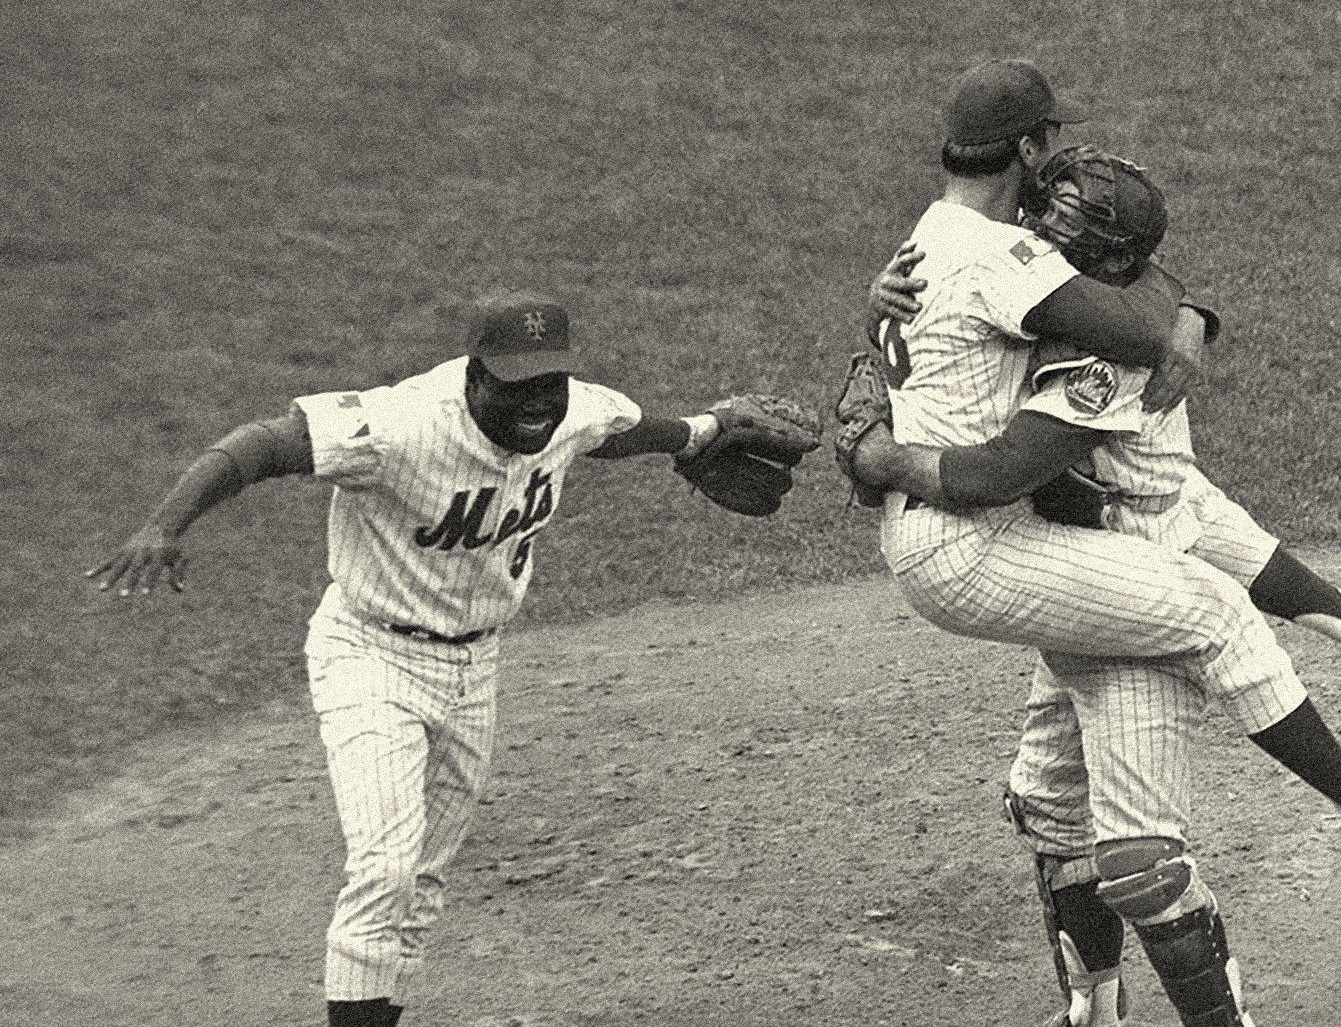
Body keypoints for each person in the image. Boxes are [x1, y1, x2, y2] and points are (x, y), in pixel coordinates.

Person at [837, 64, 1341, 1027]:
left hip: (1027, 548)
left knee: (1061, 808)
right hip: (986, 540)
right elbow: (1005, 462)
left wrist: (1183, 315)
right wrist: (888, 459)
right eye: (1049, 166)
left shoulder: (938, 243)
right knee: (1206, 629)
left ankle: (1094, 1012)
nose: (1055, 196)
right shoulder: (1037, 295)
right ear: (1024, 151)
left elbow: (1117, 313)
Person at [86, 292, 819, 1027]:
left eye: (548, 385)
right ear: (473, 376)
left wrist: (703, 432)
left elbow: (618, 431)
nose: (537, 404)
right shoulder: (399, 426)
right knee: (385, 871)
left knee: (422, 884)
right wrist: (163, 526)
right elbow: (259, 445)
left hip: (476, 670)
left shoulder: (572, 411)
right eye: (517, 386)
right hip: (369, 656)